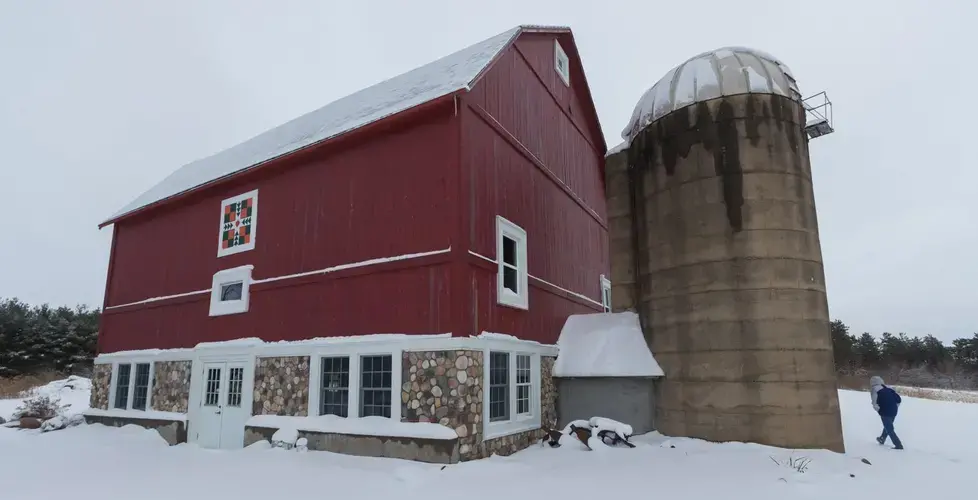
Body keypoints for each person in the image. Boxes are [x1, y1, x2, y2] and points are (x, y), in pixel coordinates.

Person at [870, 375, 904, 449]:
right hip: (894, 410)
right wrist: (894, 407)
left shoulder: (874, 389)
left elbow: (874, 403)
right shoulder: (888, 388)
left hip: (885, 411)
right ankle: (882, 438)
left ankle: (898, 445)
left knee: (889, 428)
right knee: (888, 425)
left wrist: (879, 410)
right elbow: (898, 400)